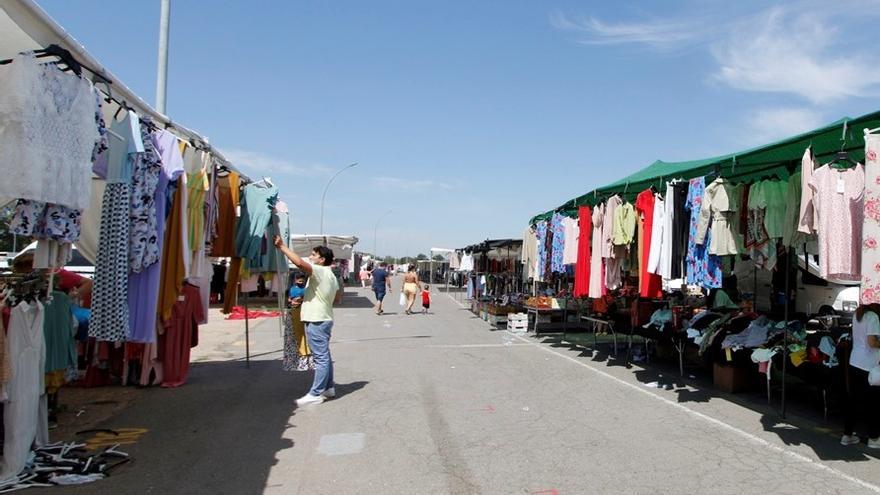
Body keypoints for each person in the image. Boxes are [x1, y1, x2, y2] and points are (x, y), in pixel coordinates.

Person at [273, 237, 342, 406]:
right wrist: (308, 298)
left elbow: (300, 264)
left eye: (313, 255)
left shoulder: (319, 270)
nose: (310, 257)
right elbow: (337, 298)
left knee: (321, 357)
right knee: (324, 354)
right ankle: (328, 387)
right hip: (323, 317)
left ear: (322, 259)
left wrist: (282, 246)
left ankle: (316, 392)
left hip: (317, 319)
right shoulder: (331, 276)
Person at [842, 303, 880, 447]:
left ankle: (847, 435)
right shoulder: (873, 318)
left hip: (855, 361)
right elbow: (872, 342)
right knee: (873, 403)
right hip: (869, 365)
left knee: (853, 400)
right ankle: (874, 438)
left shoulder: (858, 315)